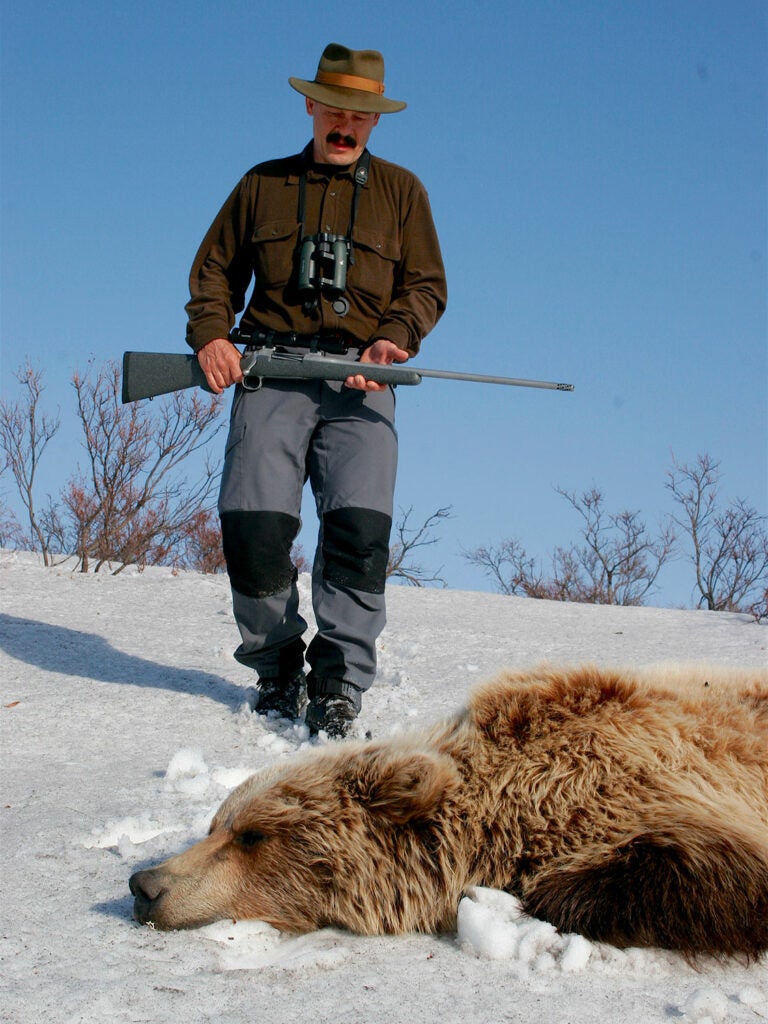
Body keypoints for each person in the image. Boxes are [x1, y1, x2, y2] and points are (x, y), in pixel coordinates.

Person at [185, 43, 447, 738]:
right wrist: (212, 335)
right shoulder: (259, 185)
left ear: (374, 122)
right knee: (253, 527)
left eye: (359, 113)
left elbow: (426, 288)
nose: (344, 122)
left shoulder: (403, 193)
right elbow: (213, 273)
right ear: (310, 105)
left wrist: (392, 337)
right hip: (271, 372)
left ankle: (337, 682)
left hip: (364, 383)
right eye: (334, 107)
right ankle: (276, 667)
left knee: (360, 533)